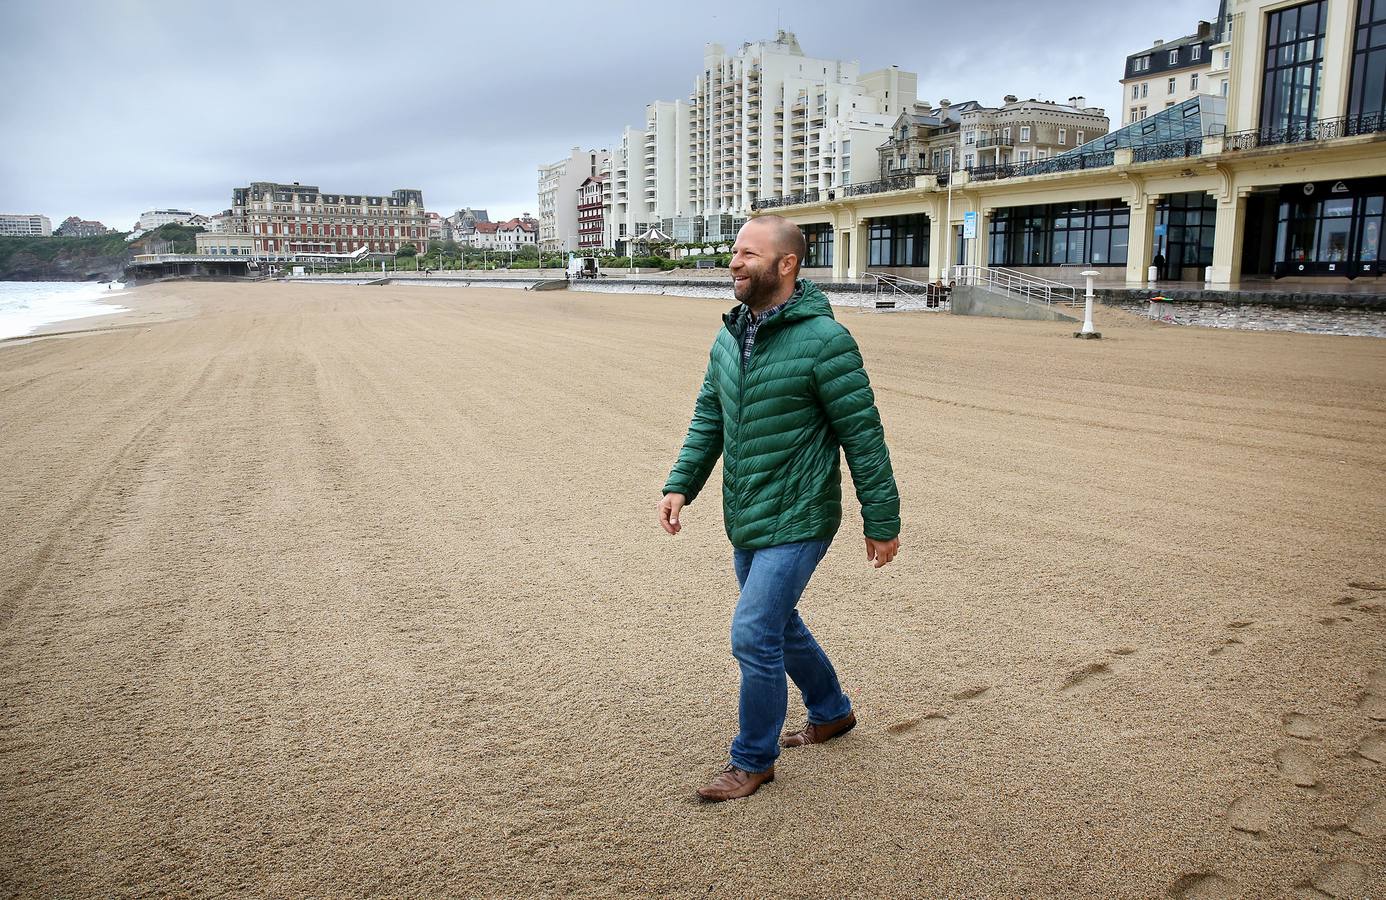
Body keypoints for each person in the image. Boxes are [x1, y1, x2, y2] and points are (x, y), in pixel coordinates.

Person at [659, 215, 901, 803]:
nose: (734, 262)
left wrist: (882, 519)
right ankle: (833, 711)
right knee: (778, 623)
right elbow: (709, 418)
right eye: (735, 252)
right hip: (747, 510)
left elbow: (862, 435)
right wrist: (680, 484)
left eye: (747, 253)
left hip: (800, 513)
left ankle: (752, 760)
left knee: (753, 630)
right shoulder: (728, 336)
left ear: (786, 264)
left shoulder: (825, 341)